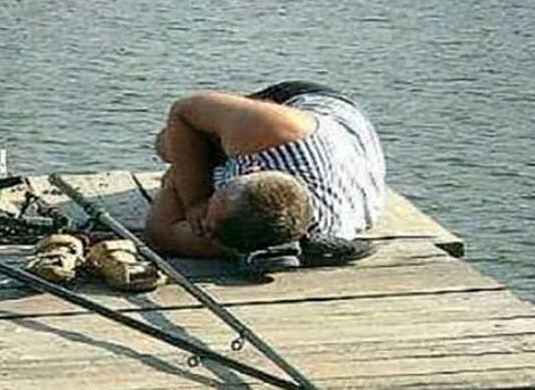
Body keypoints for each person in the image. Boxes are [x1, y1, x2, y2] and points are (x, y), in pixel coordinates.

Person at [144, 81, 386, 259]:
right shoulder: (272, 130)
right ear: (251, 170)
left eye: (208, 220)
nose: (204, 219)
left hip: (348, 161)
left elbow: (161, 232)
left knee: (181, 151)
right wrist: (196, 199)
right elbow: (183, 111)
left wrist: (178, 178)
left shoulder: (256, 236)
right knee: (166, 145)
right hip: (316, 107)